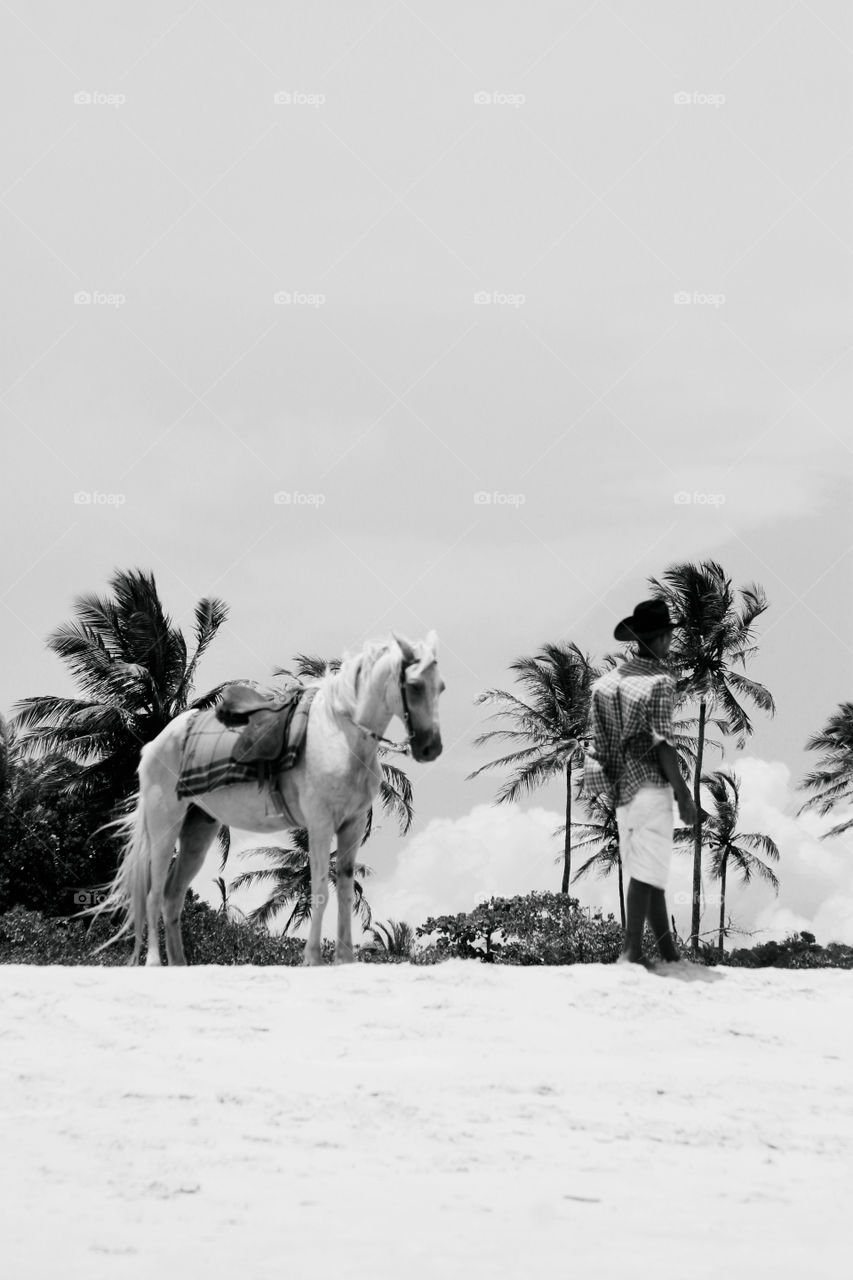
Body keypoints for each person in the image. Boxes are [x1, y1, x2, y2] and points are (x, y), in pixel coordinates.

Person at [583, 599, 697, 967]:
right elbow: (662, 743)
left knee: (649, 868)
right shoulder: (660, 682)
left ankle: (668, 953)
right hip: (649, 783)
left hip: (622, 789)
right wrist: (683, 794)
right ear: (662, 639)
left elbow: (598, 742)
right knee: (647, 872)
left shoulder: (605, 684)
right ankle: (631, 950)